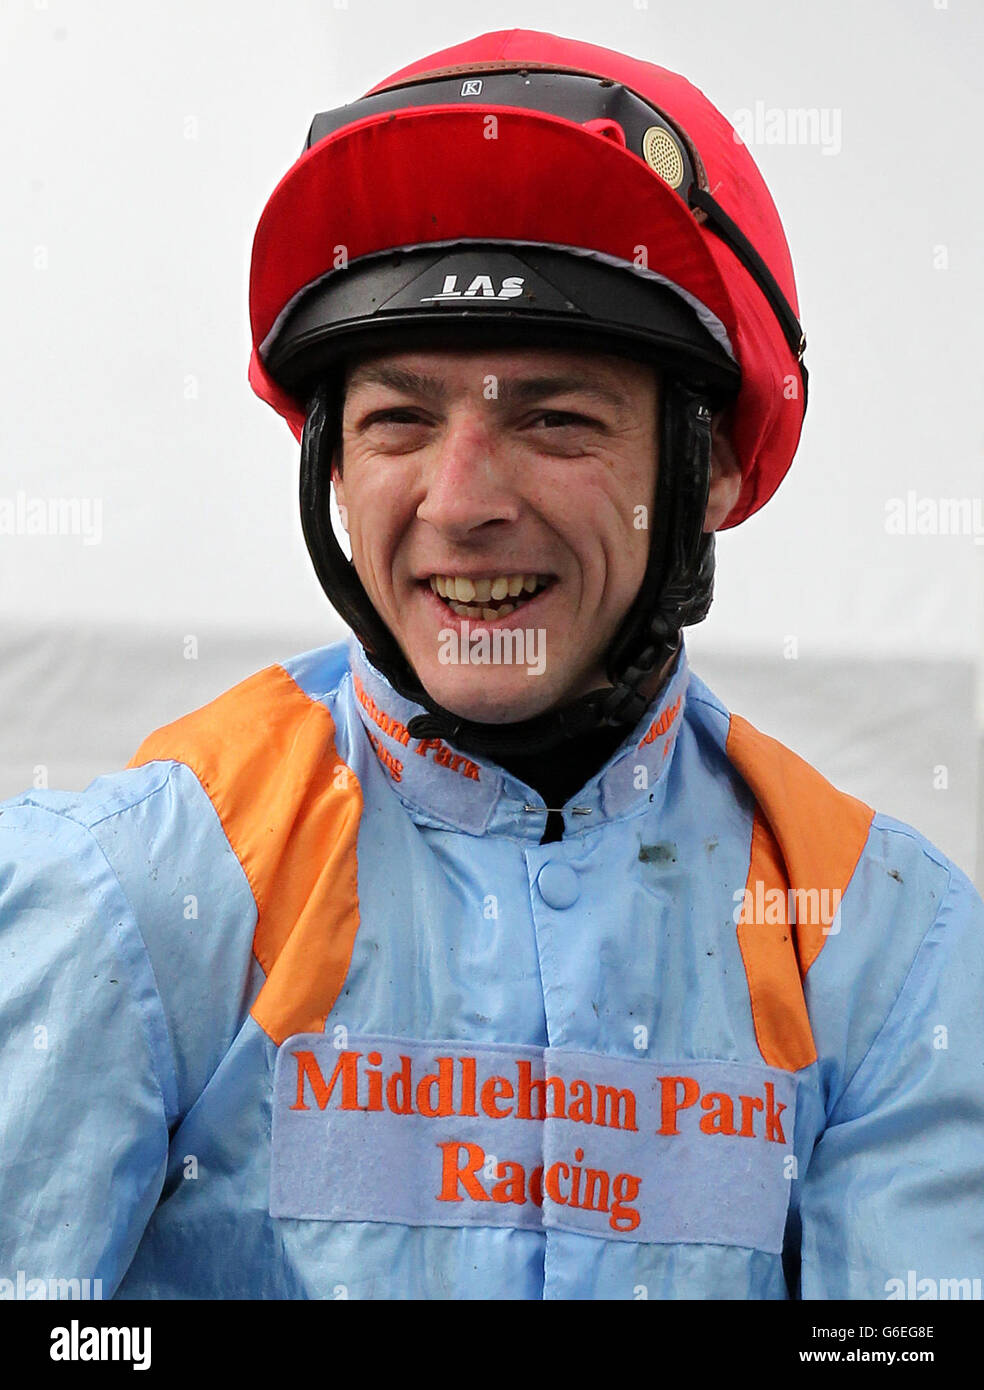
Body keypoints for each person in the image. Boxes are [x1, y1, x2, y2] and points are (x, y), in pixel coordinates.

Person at [1, 27, 981, 1303]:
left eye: (556, 418)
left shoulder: (882, 936)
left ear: (711, 472)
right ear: (336, 473)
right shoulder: (123, 888)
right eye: (399, 419)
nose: (461, 502)